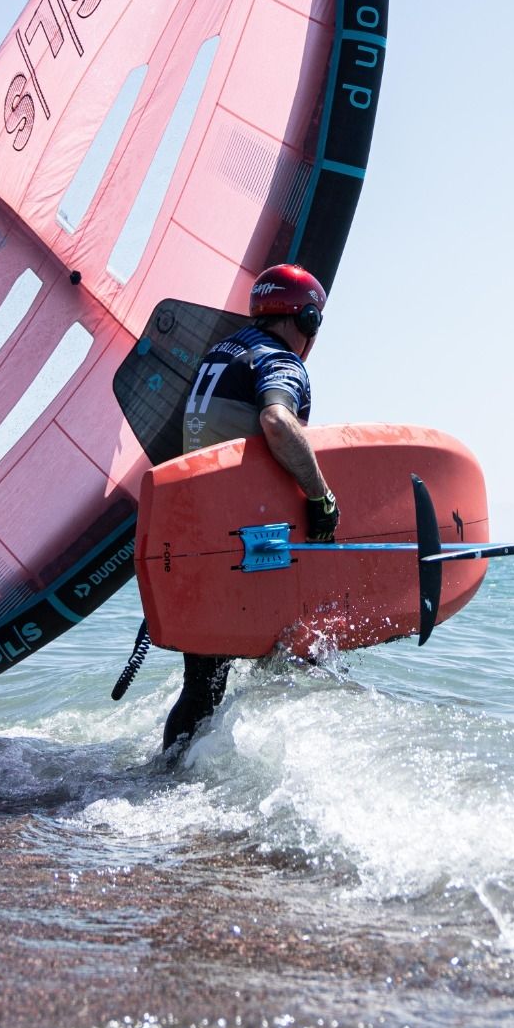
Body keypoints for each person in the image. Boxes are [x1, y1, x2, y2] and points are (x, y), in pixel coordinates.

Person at [161, 263, 339, 754]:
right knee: (301, 663)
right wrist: (320, 496)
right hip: (245, 545)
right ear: (305, 320)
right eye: (315, 321)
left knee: (202, 684)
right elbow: (278, 422)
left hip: (196, 536)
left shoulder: (221, 353)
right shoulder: (280, 361)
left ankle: (170, 780)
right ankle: (272, 782)